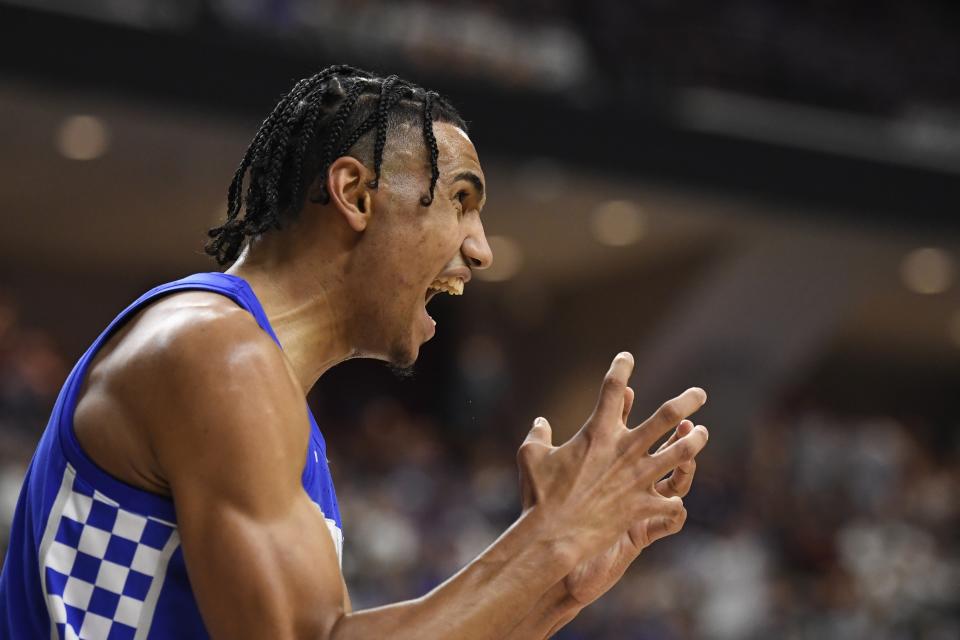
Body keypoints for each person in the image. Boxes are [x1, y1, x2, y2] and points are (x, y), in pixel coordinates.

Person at [0, 65, 709, 639]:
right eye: (461, 200)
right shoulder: (214, 353)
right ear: (355, 193)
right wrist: (546, 542)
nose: (482, 248)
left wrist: (554, 591)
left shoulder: (257, 383)